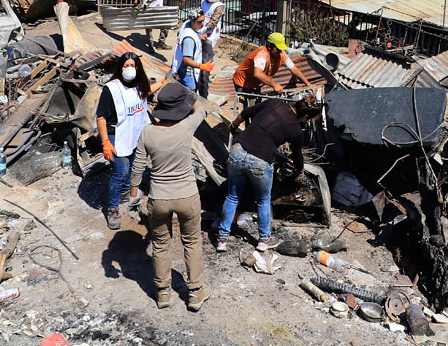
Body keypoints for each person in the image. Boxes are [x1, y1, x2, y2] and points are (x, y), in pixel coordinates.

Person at [130, 83, 211, 312]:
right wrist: (188, 97)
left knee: (160, 245)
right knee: (192, 243)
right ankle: (195, 293)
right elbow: (201, 109)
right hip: (187, 196)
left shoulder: (148, 132)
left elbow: (137, 168)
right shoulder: (187, 125)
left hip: (159, 198)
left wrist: (133, 197)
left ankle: (163, 292)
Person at [216, 94, 323, 252]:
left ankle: (222, 240)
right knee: (263, 200)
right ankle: (264, 240)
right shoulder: (296, 131)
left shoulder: (275, 102)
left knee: (232, 196)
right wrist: (299, 170)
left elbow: (246, 113)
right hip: (260, 161)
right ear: (306, 116)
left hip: (238, 152)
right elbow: (297, 156)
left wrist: (233, 126)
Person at [96, 52, 159, 230]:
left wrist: (162, 82)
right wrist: (105, 142)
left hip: (134, 133)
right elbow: (101, 117)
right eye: (126, 66)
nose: (129, 69)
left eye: (133, 65)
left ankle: (127, 192)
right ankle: (113, 208)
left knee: (133, 167)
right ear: (120, 68)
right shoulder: (112, 89)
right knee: (121, 171)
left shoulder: (140, 84)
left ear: (137, 67)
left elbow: (145, 93)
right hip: (117, 134)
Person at [232, 32, 311, 96]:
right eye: (278, 49)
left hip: (256, 84)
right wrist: (274, 85)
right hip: (243, 82)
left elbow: (294, 69)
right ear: (270, 47)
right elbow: (258, 74)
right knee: (248, 108)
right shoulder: (262, 55)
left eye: (281, 49)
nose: (280, 52)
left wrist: (308, 84)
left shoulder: (281, 54)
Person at [170, 9, 214, 93]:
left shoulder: (186, 24)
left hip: (181, 68)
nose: (202, 24)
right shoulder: (189, 39)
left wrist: (199, 35)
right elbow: (186, 60)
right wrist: (201, 66)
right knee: (190, 93)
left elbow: (179, 33)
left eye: (203, 20)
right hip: (187, 73)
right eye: (199, 22)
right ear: (192, 21)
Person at [198, 0, 225, 99]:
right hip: (202, 28)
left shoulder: (218, 6)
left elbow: (214, 20)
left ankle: (207, 72)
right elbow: (201, 12)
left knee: (209, 51)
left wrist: (205, 28)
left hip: (212, 32)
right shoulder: (203, 2)